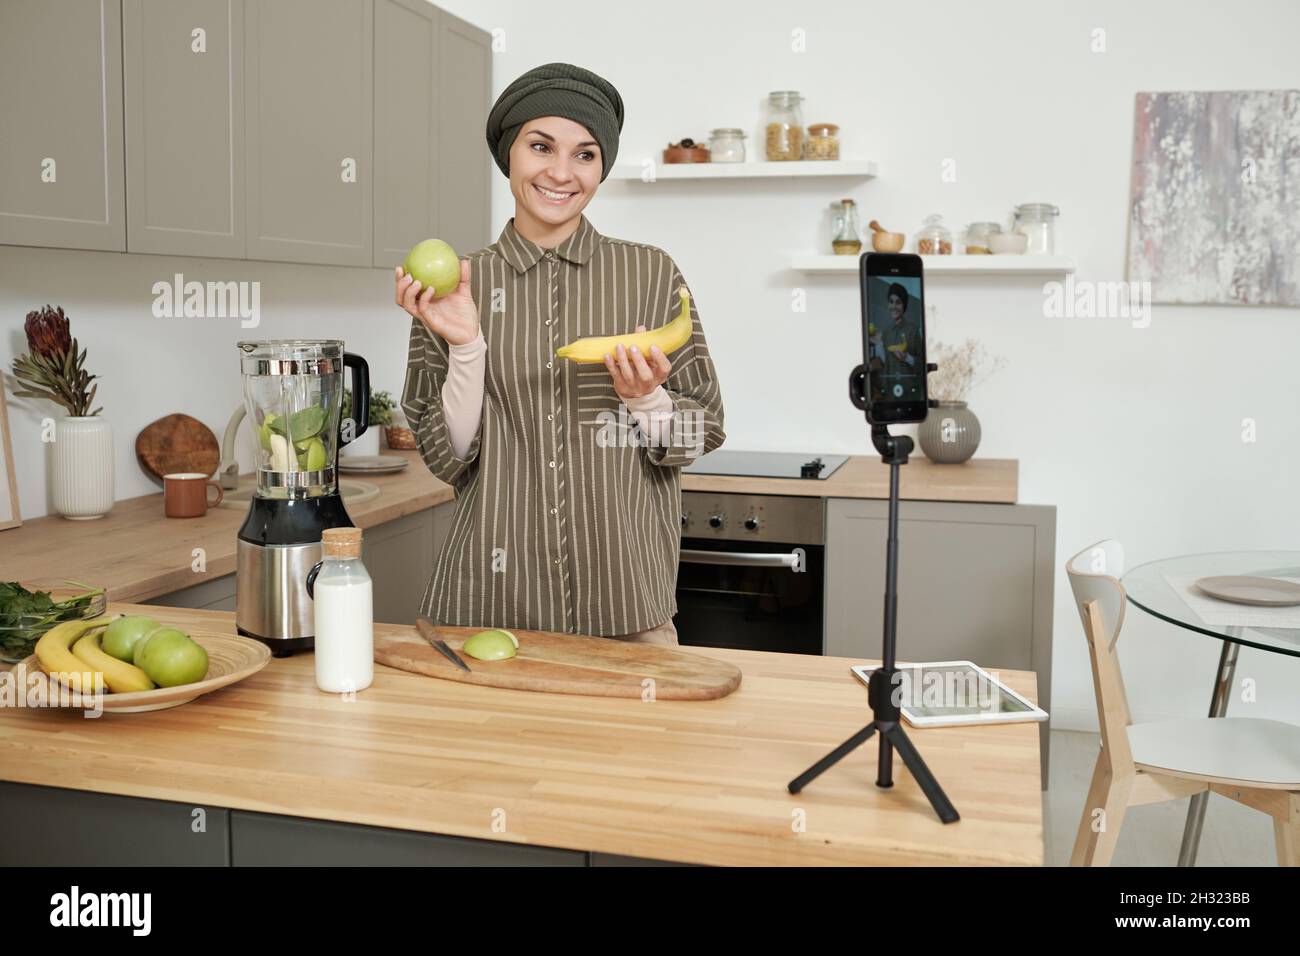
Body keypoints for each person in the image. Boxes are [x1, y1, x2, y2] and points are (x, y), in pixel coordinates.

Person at [396, 63, 726, 645]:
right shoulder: (457, 286)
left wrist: (645, 398)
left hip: (626, 601)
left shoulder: (650, 271)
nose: (560, 172)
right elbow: (447, 459)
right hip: (487, 602)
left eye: (585, 154)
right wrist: (468, 348)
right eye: (541, 146)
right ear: (509, 156)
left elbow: (700, 433)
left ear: (601, 168)